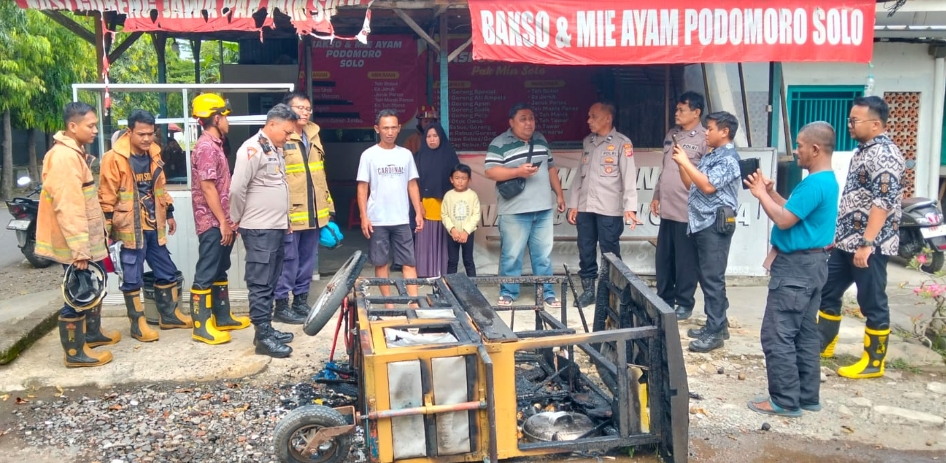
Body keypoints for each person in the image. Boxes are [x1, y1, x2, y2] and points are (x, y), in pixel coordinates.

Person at [745, 121, 839, 417]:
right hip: (813, 265)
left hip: (796, 269)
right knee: (804, 333)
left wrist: (760, 194)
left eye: (799, 145)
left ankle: (784, 400)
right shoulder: (825, 180)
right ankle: (807, 396)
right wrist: (772, 195)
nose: (795, 151)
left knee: (778, 333)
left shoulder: (814, 182)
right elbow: (796, 213)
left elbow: (785, 220)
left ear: (815, 148)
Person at [817, 96, 905, 379]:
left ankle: (873, 363)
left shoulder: (886, 155)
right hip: (846, 242)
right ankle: (823, 345)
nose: (849, 125)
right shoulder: (863, 150)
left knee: (872, 301)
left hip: (870, 246)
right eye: (849, 119)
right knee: (827, 290)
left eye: (855, 120)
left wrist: (867, 243)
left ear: (876, 124)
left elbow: (883, 201)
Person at [99, 109, 191, 343]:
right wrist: (107, 227)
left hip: (154, 222)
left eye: (151, 133)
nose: (147, 138)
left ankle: (169, 315)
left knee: (166, 269)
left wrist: (169, 212)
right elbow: (107, 195)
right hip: (129, 226)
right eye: (142, 134)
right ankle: (137, 324)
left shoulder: (154, 153)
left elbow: (160, 187)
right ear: (129, 131)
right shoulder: (114, 158)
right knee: (132, 275)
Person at [36, 102, 116, 368]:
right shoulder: (64, 158)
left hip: (83, 241)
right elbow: (68, 206)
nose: (95, 130)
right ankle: (75, 354)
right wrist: (79, 251)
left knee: (92, 288)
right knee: (78, 294)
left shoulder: (75, 152)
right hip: (73, 244)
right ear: (73, 126)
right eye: (90, 125)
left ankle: (92, 335)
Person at [230, 104, 299, 358]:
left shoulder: (274, 149)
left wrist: (285, 219)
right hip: (258, 228)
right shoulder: (252, 149)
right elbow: (237, 189)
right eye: (286, 131)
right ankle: (262, 337)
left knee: (271, 279)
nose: (288, 136)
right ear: (272, 125)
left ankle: (266, 329)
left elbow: (278, 187)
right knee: (260, 283)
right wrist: (236, 219)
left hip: (275, 227)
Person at [485, 103, 567, 308]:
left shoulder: (541, 140)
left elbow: (551, 168)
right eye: (523, 118)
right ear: (511, 122)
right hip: (514, 210)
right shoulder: (500, 143)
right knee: (512, 255)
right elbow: (490, 172)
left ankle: (547, 292)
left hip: (543, 209)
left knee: (543, 254)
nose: (529, 122)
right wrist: (517, 172)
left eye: (531, 118)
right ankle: (509, 292)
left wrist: (559, 195)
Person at [672, 111, 741, 353]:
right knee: (706, 277)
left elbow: (708, 186)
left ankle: (715, 332)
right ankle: (718, 325)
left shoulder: (729, 159)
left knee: (713, 279)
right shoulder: (712, 155)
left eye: (710, 128)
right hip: (701, 224)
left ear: (724, 131)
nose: (706, 133)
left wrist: (686, 162)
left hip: (715, 224)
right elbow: (692, 185)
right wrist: (682, 165)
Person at [566, 102, 640, 309]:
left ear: (608, 118)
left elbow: (629, 178)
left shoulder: (622, 143)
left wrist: (629, 208)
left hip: (609, 208)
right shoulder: (588, 142)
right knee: (586, 250)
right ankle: (589, 291)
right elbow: (579, 176)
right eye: (589, 116)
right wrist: (574, 204)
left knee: (610, 253)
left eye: (594, 116)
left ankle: (611, 293)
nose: (589, 120)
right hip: (585, 207)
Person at [189, 93, 248, 347]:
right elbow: (208, 188)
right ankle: (201, 326)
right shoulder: (205, 147)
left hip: (223, 220)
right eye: (225, 116)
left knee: (220, 268)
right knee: (207, 270)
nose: (228, 121)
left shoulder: (216, 144)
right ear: (215, 117)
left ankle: (222, 317)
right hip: (213, 222)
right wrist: (223, 222)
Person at [275, 92, 336, 323]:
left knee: (308, 260)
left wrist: (328, 206)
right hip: (290, 213)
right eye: (299, 107)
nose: (305, 112)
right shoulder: (281, 136)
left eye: (308, 108)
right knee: (289, 260)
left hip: (315, 211)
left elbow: (319, 172)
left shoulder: (313, 134)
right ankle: (281, 305)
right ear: (287, 109)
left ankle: (300, 301)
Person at [357, 110, 425, 304]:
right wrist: (364, 216)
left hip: (401, 218)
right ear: (377, 129)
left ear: (399, 128)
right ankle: (388, 303)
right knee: (380, 262)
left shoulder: (405, 155)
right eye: (385, 128)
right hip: (377, 219)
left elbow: (412, 184)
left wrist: (418, 213)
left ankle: (414, 301)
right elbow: (363, 187)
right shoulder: (369, 155)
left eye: (393, 127)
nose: (390, 132)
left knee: (409, 262)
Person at [652, 92, 706, 319]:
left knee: (685, 261)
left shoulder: (704, 138)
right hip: (667, 208)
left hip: (687, 209)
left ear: (696, 112)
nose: (677, 113)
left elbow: (704, 176)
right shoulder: (671, 134)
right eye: (676, 109)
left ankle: (684, 302)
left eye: (682, 110)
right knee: (664, 257)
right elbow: (666, 168)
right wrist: (656, 195)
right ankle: (664, 299)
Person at [414, 122, 460, 278]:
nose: (432, 140)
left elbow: (457, 181)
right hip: (425, 205)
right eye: (428, 136)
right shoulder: (419, 157)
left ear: (441, 137)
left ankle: (442, 273)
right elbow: (415, 184)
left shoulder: (450, 156)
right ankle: (426, 273)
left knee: (442, 241)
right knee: (427, 239)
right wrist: (418, 205)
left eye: (435, 136)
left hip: (445, 206)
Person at [441, 163, 481, 276]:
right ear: (451, 179)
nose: (460, 181)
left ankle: (473, 288)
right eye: (457, 178)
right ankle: (450, 288)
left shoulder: (472, 195)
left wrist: (466, 231)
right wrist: (452, 230)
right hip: (452, 234)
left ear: (469, 180)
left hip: (467, 234)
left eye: (463, 178)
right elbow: (444, 215)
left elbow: (476, 215)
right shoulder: (448, 195)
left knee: (468, 260)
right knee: (452, 261)